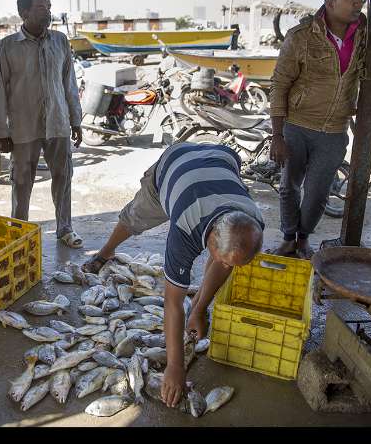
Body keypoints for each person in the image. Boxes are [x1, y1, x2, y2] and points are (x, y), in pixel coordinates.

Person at [82, 143, 264, 407]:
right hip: (173, 166)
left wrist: (199, 309)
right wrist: (175, 366)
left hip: (220, 158)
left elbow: (227, 262)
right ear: (210, 241)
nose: (227, 265)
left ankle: (201, 304)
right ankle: (106, 251)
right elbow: (172, 302)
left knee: (226, 261)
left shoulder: (253, 221)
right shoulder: (185, 230)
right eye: (221, 258)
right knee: (135, 217)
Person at [269, 0, 366, 259]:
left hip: (335, 129)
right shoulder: (300, 37)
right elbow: (279, 84)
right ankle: (288, 237)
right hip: (297, 126)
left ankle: (303, 239)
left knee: (318, 194)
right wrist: (277, 135)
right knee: (289, 186)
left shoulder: (365, 34)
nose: (358, 3)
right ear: (330, 2)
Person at [0, 0, 84, 248]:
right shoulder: (5, 48)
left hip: (57, 122)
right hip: (23, 128)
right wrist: (1, 132)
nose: (48, 13)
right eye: (41, 8)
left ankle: (65, 229)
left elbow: (69, 83)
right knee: (21, 181)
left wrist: (75, 119)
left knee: (63, 177)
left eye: (49, 7)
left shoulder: (60, 41)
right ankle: (19, 233)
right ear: (24, 12)